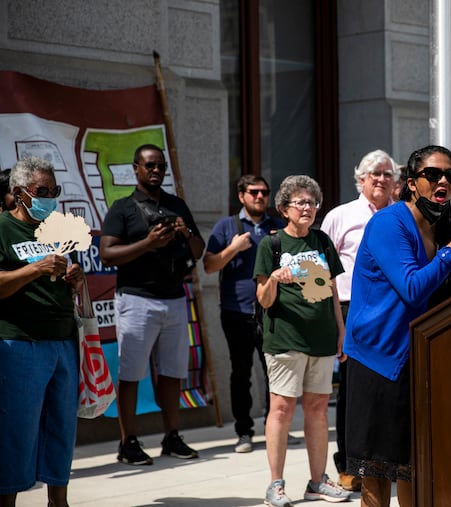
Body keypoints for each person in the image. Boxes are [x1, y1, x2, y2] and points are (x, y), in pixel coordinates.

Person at [343, 145, 451, 507]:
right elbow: (411, 288)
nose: (444, 181)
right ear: (411, 183)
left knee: (413, 466)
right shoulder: (389, 223)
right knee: (377, 473)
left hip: (419, 358)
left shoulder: (442, 224)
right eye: (433, 175)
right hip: (379, 359)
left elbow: (442, 293)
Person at [100, 144, 205, 466]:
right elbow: (106, 254)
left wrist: (184, 233)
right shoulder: (123, 208)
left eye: (160, 166)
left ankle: (171, 436)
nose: (156, 170)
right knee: (131, 374)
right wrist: (148, 243)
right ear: (136, 169)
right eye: (150, 166)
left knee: (173, 373)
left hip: (175, 299)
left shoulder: (176, 205)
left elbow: (199, 251)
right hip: (136, 299)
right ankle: (127, 441)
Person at [254, 175, 350, 506]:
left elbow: (332, 293)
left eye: (312, 202)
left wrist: (341, 331)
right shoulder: (272, 245)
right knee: (281, 408)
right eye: (301, 202)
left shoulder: (322, 242)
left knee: (318, 408)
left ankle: (317, 481)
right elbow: (264, 300)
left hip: (322, 339)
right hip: (284, 340)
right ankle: (275, 485)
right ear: (284, 209)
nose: (308, 208)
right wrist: (276, 280)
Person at [0, 156, 84, 507]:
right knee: (16, 432)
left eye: (55, 191)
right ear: (19, 193)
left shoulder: (58, 228)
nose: (50, 198)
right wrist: (35, 269)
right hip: (21, 342)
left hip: (62, 340)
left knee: (60, 429)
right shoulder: (3, 227)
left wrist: (76, 281)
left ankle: (58, 502)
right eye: (42, 191)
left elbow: (68, 283)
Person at [320, 149, 399, 492]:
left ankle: (388, 460)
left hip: (393, 309)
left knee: (388, 388)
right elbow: (321, 270)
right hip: (351, 308)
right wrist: (331, 316)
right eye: (374, 174)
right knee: (352, 390)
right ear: (361, 179)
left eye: (387, 174)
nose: (381, 179)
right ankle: (350, 465)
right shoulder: (341, 216)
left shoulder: (401, 216)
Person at [203, 175, 286, 453]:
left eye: (264, 192)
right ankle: (243, 432)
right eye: (253, 192)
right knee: (241, 372)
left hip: (272, 311)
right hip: (236, 311)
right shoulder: (227, 226)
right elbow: (209, 266)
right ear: (241, 196)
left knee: (274, 372)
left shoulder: (278, 227)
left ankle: (273, 427)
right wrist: (233, 248)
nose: (260, 197)